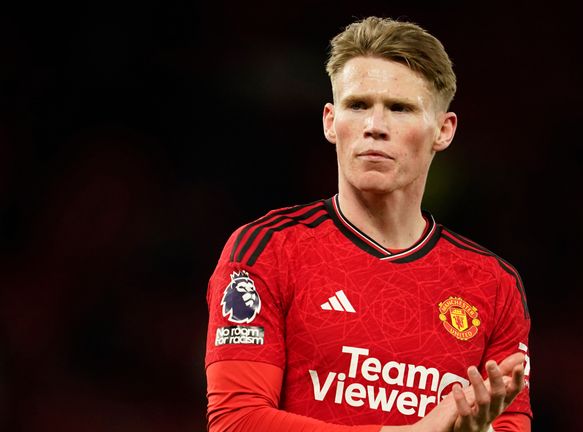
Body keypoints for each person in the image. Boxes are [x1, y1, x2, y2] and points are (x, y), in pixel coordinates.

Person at [205, 16, 532, 432]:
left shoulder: (493, 285)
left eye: (400, 108)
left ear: (443, 130)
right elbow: (236, 422)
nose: (374, 127)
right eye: (357, 105)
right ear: (330, 121)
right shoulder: (267, 251)